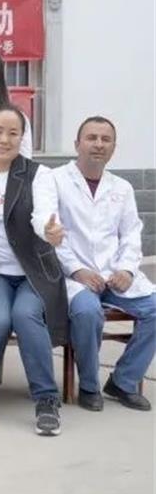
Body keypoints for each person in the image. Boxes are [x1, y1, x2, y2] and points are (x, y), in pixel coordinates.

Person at [0, 105, 68, 436]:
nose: (4, 140)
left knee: (25, 316)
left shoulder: (39, 174)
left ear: (22, 138)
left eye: (13, 133)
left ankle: (46, 398)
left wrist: (49, 231)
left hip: (33, 271)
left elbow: (43, 215)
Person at [53, 116, 156, 412]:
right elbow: (51, 234)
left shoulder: (122, 187)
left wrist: (126, 269)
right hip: (74, 276)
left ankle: (124, 381)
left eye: (105, 139)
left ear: (113, 147)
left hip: (114, 275)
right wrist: (77, 270)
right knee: (87, 312)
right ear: (77, 144)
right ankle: (89, 385)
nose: (98, 144)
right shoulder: (56, 180)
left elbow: (131, 234)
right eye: (91, 138)